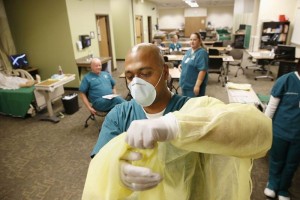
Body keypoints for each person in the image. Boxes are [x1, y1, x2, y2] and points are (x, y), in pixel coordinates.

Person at [82, 43, 272, 200]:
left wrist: (175, 126)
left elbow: (259, 131)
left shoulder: (193, 109)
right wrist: (115, 171)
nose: (136, 83)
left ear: (165, 72)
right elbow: (98, 163)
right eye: (130, 76)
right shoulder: (119, 115)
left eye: (146, 73)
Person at [263, 60, 300, 200]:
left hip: (298, 135)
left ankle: (284, 188)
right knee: (277, 159)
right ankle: (272, 184)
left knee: (292, 163)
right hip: (281, 130)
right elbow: (271, 107)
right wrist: (265, 126)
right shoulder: (286, 80)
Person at [178, 32, 208, 97]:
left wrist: (197, 86)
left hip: (193, 87)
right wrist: (180, 66)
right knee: (186, 104)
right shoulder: (189, 51)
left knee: (194, 105)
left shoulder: (202, 53)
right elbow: (184, 63)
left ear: (199, 41)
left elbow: (202, 70)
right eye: (191, 39)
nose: (192, 41)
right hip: (185, 85)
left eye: (194, 40)